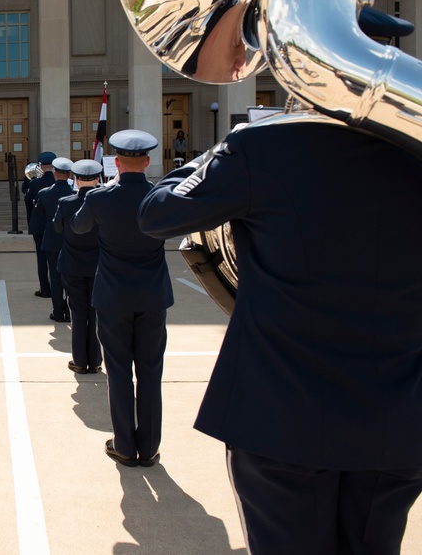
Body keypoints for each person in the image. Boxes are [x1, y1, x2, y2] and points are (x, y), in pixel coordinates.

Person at [138, 117, 422, 553]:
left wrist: (216, 155)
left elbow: (157, 214)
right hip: (398, 413)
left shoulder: (265, 144)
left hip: (282, 409)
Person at [70, 129, 172, 468]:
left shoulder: (99, 198)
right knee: (150, 373)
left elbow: (80, 227)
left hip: (113, 297)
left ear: (115, 162)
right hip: (152, 297)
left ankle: (125, 445)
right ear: (146, 161)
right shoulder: (159, 197)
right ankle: (150, 447)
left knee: (118, 373)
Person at [53, 159, 103, 374]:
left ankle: (80, 361)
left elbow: (57, 227)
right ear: (98, 179)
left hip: (73, 265)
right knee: (95, 314)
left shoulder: (66, 202)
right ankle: (96, 360)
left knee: (78, 313)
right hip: (98, 266)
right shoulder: (105, 202)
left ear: (75, 179)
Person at [35, 157, 75, 322]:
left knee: (55, 278)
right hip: (72, 242)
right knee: (72, 278)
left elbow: (40, 212)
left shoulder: (44, 193)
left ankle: (58, 312)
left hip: (52, 240)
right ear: (69, 174)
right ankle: (72, 309)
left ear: (55, 174)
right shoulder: (74, 193)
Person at [24, 151, 56, 297]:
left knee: (41, 258)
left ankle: (45, 288)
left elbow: (28, 202)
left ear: (41, 165)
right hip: (57, 225)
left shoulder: (35, 183)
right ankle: (57, 287)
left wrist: (31, 220)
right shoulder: (59, 182)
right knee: (56, 258)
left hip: (39, 225)